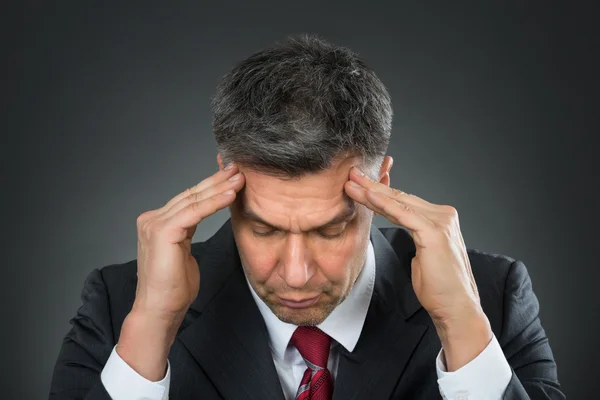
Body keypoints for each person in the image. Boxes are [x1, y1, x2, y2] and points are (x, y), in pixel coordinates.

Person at [49, 34, 565, 400]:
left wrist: (461, 326)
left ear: (380, 186)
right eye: (263, 227)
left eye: (331, 228)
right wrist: (153, 328)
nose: (295, 274)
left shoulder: (492, 298)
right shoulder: (121, 306)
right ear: (225, 183)